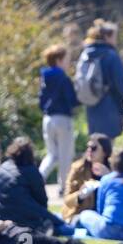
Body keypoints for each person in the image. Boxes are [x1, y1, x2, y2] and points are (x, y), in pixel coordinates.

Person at [0, 137, 70, 234]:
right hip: (24, 219)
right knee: (66, 228)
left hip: (0, 218)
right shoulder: (31, 171)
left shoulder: (3, 167)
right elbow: (42, 200)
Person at [76, 148, 123, 241]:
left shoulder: (107, 179)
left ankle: (67, 228)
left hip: (111, 230)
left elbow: (101, 209)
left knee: (85, 214)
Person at [73, 19, 123, 140]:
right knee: (107, 145)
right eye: (114, 36)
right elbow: (121, 85)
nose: (116, 40)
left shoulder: (86, 53)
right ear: (107, 36)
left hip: (91, 105)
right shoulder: (111, 55)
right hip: (109, 105)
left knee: (95, 144)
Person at [38, 43, 78, 193]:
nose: (69, 63)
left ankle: (38, 178)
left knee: (52, 154)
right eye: (67, 59)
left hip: (47, 119)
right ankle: (64, 187)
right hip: (63, 119)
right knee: (65, 155)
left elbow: (41, 100)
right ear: (59, 60)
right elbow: (72, 99)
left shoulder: (44, 77)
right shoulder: (63, 78)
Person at [62, 133, 113, 222]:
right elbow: (67, 201)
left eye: (94, 148)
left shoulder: (113, 169)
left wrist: (109, 177)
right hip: (80, 214)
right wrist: (80, 195)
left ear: (105, 151)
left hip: (106, 215)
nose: (89, 150)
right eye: (88, 147)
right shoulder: (78, 168)